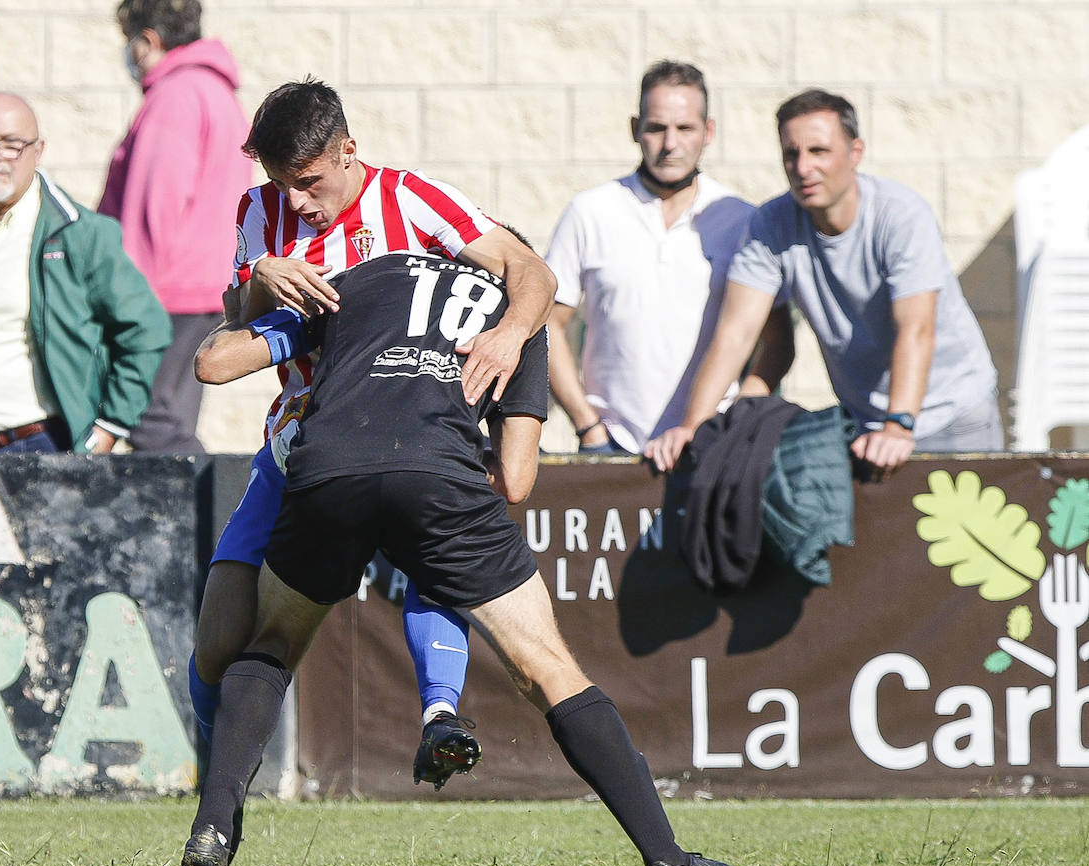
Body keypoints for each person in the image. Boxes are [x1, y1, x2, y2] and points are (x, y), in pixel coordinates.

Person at [177, 252, 739, 866]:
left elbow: (216, 363)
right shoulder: (517, 317)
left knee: (271, 644)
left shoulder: (359, 279)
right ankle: (668, 858)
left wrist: (253, 292)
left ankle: (212, 830)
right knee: (548, 666)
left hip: (330, 467)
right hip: (440, 479)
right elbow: (518, 480)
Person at [186, 79, 555, 789]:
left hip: (412, 430)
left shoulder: (412, 199)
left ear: (349, 151)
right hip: (303, 442)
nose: (294, 200)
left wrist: (512, 337)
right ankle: (215, 782)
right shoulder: (260, 211)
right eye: (279, 182)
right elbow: (234, 325)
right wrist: (261, 275)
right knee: (217, 644)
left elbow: (526, 267)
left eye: (309, 181)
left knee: (438, 559)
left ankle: (441, 712)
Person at [645, 89, 1000, 478]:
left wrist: (898, 426)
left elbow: (915, 329)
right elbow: (736, 333)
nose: (803, 167)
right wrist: (694, 428)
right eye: (791, 154)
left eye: (819, 151)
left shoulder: (901, 216)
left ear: (855, 153)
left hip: (953, 412)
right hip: (866, 425)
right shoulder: (770, 224)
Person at [545, 61, 787, 454]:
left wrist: (737, 418)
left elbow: (777, 340)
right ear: (635, 129)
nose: (670, 143)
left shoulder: (743, 219)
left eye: (685, 128)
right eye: (657, 128)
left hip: (711, 444)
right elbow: (547, 324)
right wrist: (587, 425)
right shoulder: (590, 211)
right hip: (613, 446)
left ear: (708, 132)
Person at [0, 91, 170, 454]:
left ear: (39, 150)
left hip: (36, 446)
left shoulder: (78, 231)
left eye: (12, 144)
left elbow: (146, 329)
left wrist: (109, 427)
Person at [97, 0, 250, 455]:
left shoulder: (175, 96)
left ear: (149, 40)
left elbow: (154, 206)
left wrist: (121, 295)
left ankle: (220, 515)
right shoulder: (216, 92)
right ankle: (206, 522)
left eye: (131, 43)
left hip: (164, 293)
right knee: (168, 418)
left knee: (146, 418)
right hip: (202, 289)